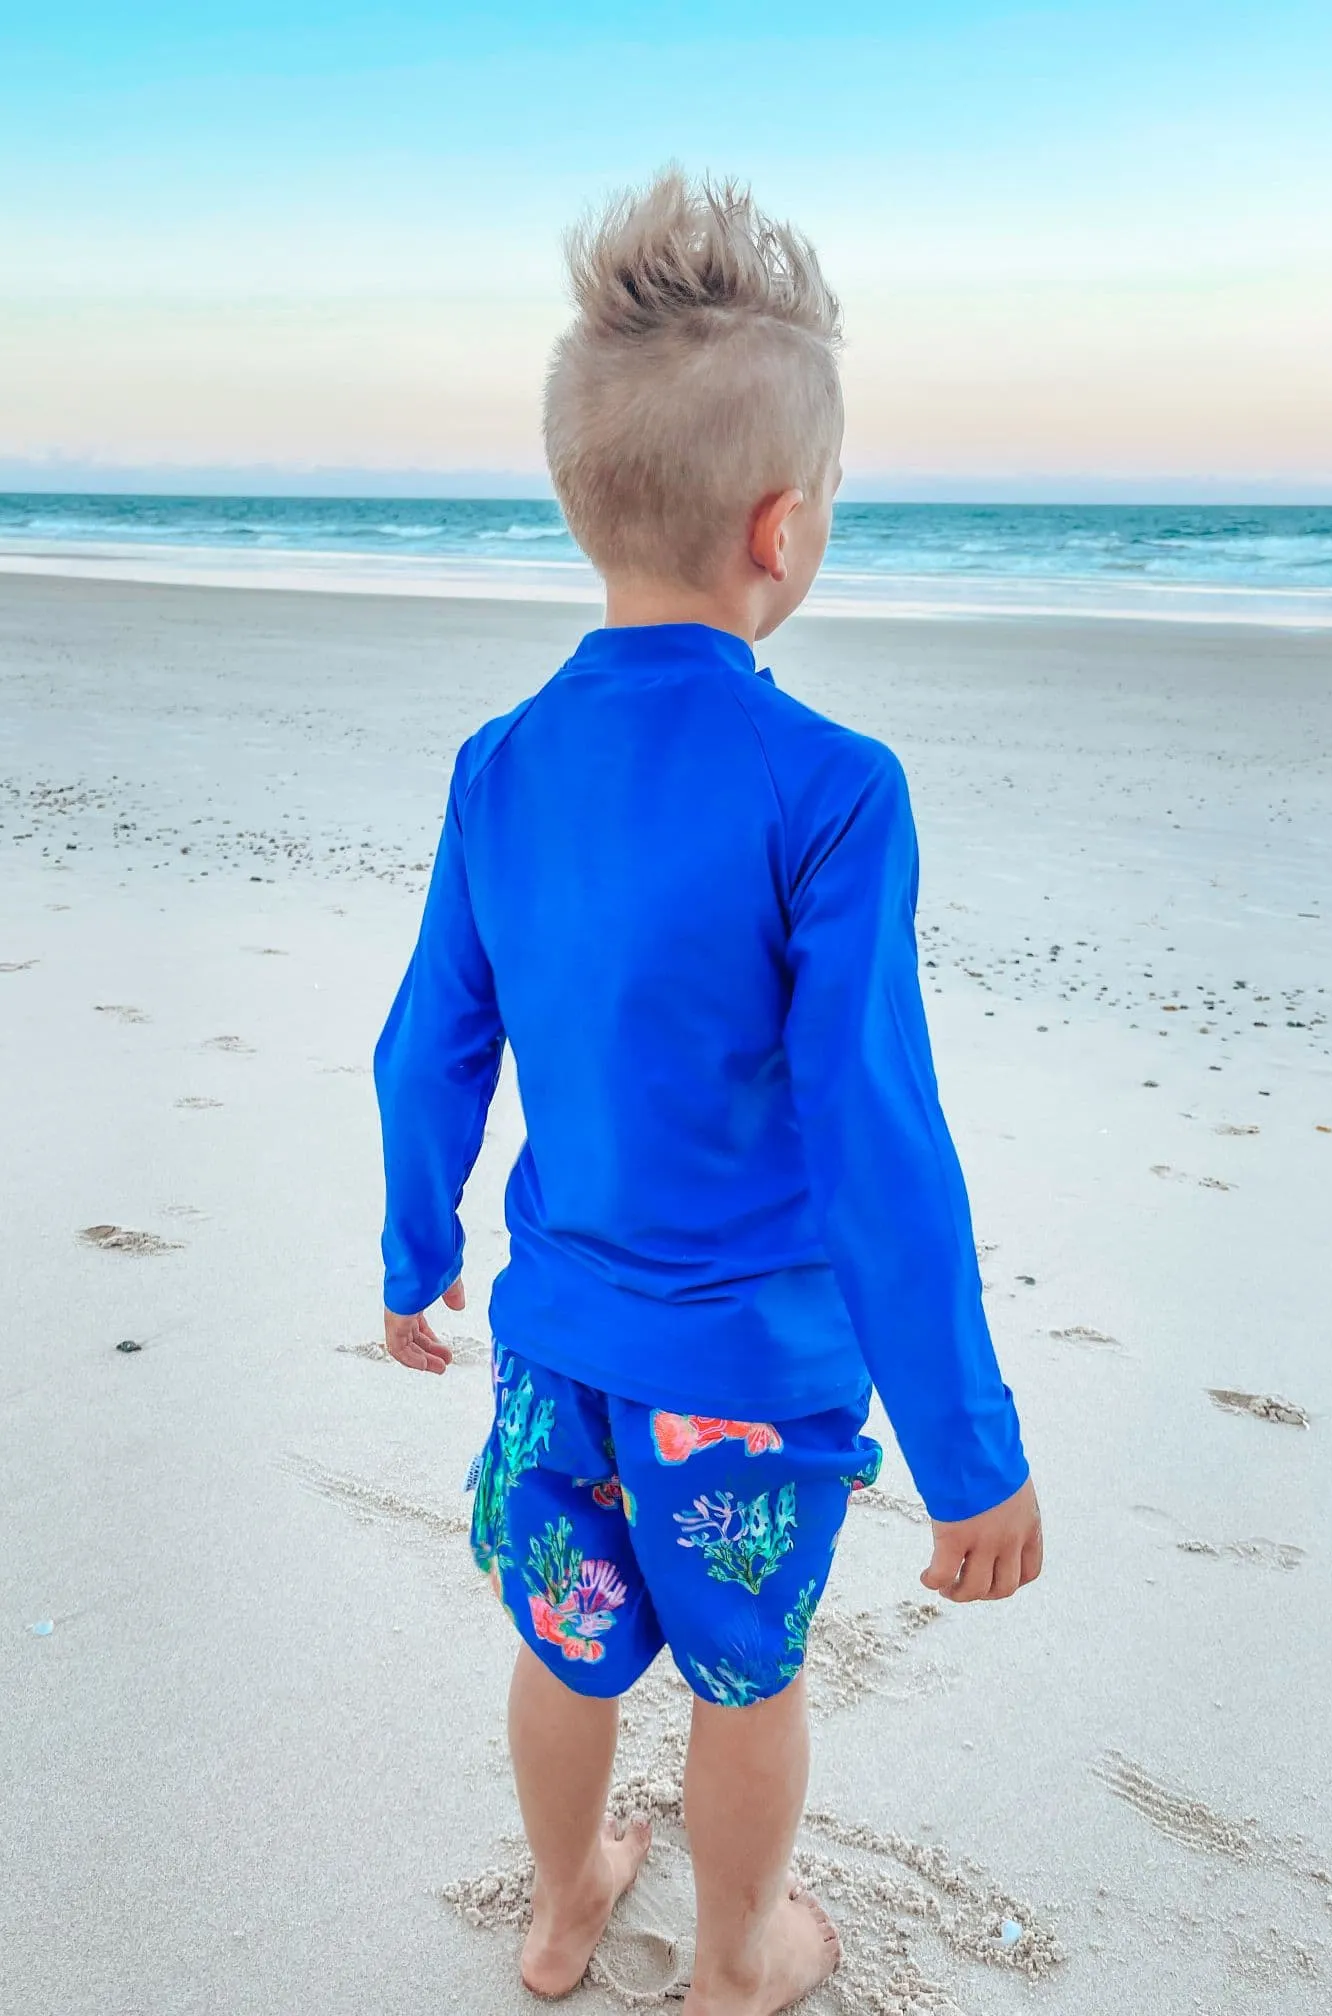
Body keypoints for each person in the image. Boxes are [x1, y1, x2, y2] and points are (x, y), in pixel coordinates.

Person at [374, 169, 1042, 2016]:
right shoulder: (833, 787)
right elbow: (875, 1136)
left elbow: (428, 1037)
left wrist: (407, 1247)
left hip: (561, 1340)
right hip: (748, 1380)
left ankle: (564, 1905)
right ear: (785, 529)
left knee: (570, 1646)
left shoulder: (498, 767)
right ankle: (740, 1957)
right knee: (745, 1676)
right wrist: (968, 1447)